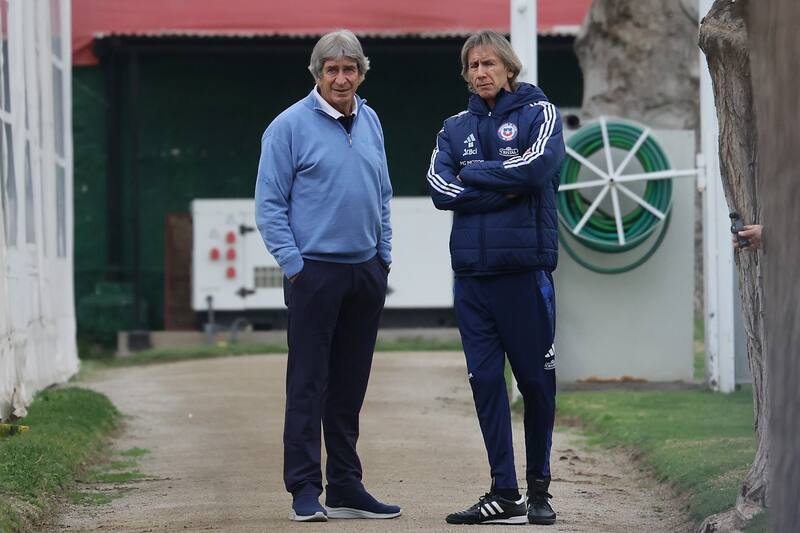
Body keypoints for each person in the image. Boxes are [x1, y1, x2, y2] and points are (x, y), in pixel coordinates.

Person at [255, 29, 400, 523]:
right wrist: (295, 267)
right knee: (308, 384)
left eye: (350, 69)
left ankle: (345, 484)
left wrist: (382, 256)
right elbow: (269, 206)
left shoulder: (372, 120)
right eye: (332, 70)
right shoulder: (287, 127)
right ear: (317, 74)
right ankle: (302, 487)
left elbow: (382, 193)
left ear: (361, 72)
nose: (342, 78)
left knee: (349, 386)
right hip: (313, 274)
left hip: (364, 273)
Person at [427, 30, 565, 526]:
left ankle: (540, 490)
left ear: (509, 67)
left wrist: (476, 173)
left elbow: (535, 171)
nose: (481, 72)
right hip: (471, 279)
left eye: (489, 63)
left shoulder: (540, 114)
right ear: (466, 73)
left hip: (524, 274)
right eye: (473, 65)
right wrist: (498, 183)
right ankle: (503, 493)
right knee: (486, 382)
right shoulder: (452, 126)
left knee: (535, 384)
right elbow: (440, 188)